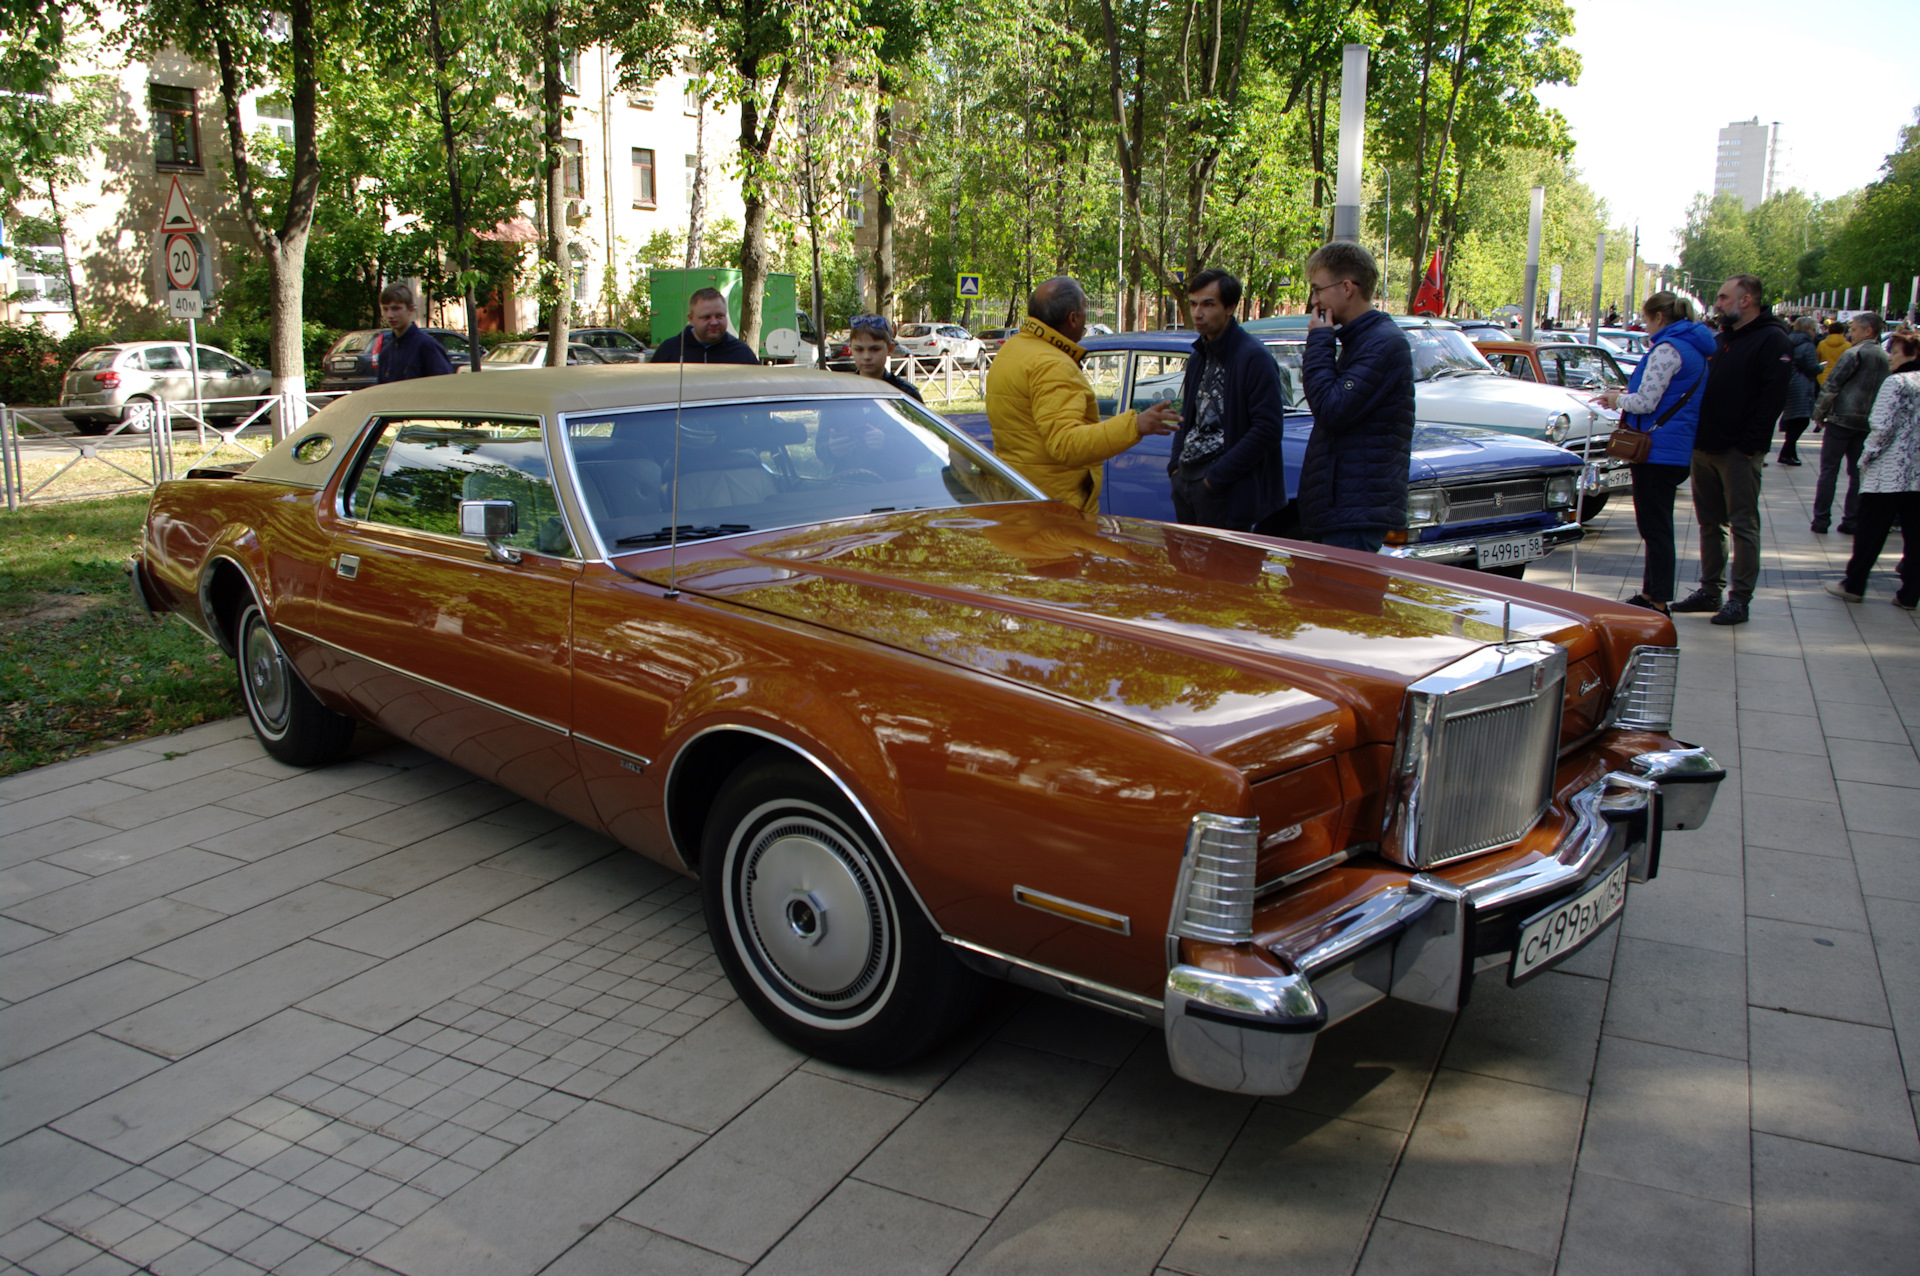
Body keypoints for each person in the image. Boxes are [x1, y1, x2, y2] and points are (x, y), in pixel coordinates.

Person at [983, 276, 1176, 511]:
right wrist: (1135, 426)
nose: (1087, 318)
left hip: (1021, 498)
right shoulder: (1053, 364)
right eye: (1085, 310)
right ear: (1073, 319)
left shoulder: (1012, 350)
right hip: (1056, 511)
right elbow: (1066, 444)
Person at [1671, 274, 1792, 626]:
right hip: (1705, 445)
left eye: (1724, 297)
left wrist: (1751, 445)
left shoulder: (1773, 339)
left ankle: (1739, 599)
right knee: (1710, 522)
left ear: (1747, 299)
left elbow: (1772, 399)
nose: (1718, 303)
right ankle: (1710, 590)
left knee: (1743, 524)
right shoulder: (1722, 340)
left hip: (1738, 451)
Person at [1595, 292, 1715, 614]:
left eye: (1647, 320)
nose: (1646, 327)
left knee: (1655, 529)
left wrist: (1615, 399)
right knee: (1657, 526)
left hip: (1655, 450)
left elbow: (1646, 402)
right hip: (1674, 448)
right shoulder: (1695, 348)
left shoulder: (1667, 349)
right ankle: (1652, 594)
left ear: (1659, 318)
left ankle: (1658, 600)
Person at [1296, 242, 1414, 552]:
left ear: (1347, 288)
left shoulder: (1383, 343)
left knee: (1348, 599)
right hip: (1343, 506)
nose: (1314, 300)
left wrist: (1320, 339)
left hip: (1356, 511)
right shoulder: (1361, 340)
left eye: (1318, 290)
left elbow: (1331, 408)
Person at [1165, 268, 1288, 531]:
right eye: (1194, 304)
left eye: (1208, 304)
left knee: (1228, 570)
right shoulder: (1199, 354)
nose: (1198, 313)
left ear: (1230, 307)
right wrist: (1175, 468)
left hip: (1229, 491)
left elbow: (1268, 429)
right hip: (1189, 482)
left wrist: (1217, 478)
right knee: (1189, 569)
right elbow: (1188, 416)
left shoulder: (1253, 357)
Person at [1824, 330, 1918, 608]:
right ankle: (1910, 593)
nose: (1890, 356)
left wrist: (1866, 459)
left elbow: (1881, 427)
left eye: (1896, 351)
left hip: (1888, 473)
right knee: (1915, 536)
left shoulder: (1897, 382)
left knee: (1870, 531)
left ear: (1912, 354)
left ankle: (1854, 584)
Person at [1810, 312, 1890, 534]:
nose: (1850, 333)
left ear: (1869, 331)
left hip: (1841, 419)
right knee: (1857, 473)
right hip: (1866, 422)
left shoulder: (1853, 354)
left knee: (1829, 471)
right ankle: (1852, 520)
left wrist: (1819, 413)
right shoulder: (1886, 357)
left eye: (1854, 329)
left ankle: (1821, 520)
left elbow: (1832, 385)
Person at [650, 287, 760, 364]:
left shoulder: (742, 353)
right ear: (691, 319)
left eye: (719, 316)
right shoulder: (669, 351)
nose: (714, 322)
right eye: (706, 317)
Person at [373, 282, 456, 382]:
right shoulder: (386, 353)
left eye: (396, 308)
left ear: (410, 309)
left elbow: (445, 384)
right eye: (385, 309)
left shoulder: (427, 346)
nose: (390, 315)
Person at [841, 313, 921, 402]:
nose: (866, 357)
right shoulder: (841, 392)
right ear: (851, 349)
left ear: (890, 349)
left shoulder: (905, 393)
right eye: (859, 349)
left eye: (875, 349)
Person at [1777, 316, 1823, 465]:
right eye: (1814, 329)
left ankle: (1790, 452)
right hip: (1802, 383)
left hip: (1789, 381)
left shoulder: (1788, 340)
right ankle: (1786, 452)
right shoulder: (1808, 345)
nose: (1815, 332)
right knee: (1802, 420)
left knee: (1793, 417)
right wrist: (1820, 368)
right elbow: (1811, 367)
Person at [1816, 320, 1850, 386]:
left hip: (1822, 376)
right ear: (1843, 331)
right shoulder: (1848, 345)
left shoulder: (1822, 344)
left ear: (1829, 330)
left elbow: (1818, 359)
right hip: (1840, 376)